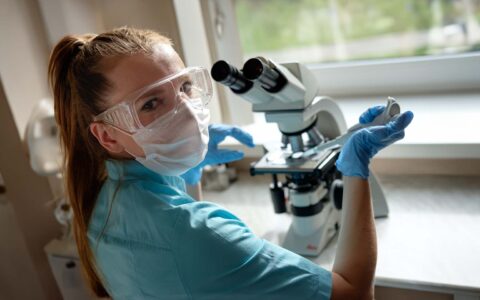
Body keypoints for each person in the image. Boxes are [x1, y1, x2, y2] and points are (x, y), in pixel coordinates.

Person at [48, 27, 413, 300]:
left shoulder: (100, 202)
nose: (186, 112)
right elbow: (354, 292)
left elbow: (189, 275)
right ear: (108, 136)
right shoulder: (201, 237)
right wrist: (356, 167)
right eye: (150, 104)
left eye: (184, 88)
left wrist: (189, 176)